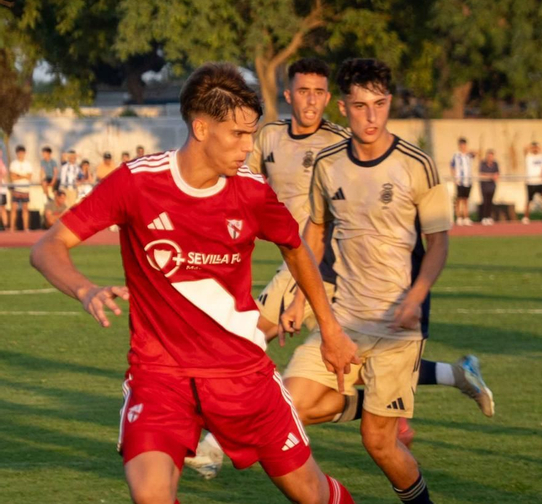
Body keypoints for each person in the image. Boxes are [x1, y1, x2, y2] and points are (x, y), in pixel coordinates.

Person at [27, 61, 428, 504]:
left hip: (242, 375)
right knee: (150, 492)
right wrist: (85, 289)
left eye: (251, 134)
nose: (248, 146)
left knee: (310, 494)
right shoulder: (137, 183)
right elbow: (47, 247)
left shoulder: (251, 193)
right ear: (200, 127)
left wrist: (329, 327)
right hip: (160, 373)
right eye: (239, 134)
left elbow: (296, 250)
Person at [185, 56, 495, 481]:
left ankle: (213, 444)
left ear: (330, 99)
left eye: (319, 93)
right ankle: (444, 379)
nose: (311, 101)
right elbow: (239, 183)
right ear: (289, 95)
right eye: (303, 92)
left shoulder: (345, 143)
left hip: (325, 270)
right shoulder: (270, 138)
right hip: (299, 263)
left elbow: (370, 214)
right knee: (334, 373)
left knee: (250, 337)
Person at [281, 58, 454, 504]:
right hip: (343, 320)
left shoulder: (417, 164)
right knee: (288, 406)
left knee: (378, 442)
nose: (371, 116)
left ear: (389, 103)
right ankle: (369, 400)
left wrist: (416, 297)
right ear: (344, 107)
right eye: (360, 106)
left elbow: (438, 243)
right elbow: (314, 235)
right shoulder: (328, 164)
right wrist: (296, 297)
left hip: (398, 325)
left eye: (379, 104)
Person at [9, 146, 36, 231]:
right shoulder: (13, 164)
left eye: (22, 153)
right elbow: (12, 177)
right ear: (17, 154)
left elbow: (29, 177)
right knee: (14, 208)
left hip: (25, 189)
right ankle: (12, 228)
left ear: (24, 153)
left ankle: (26, 228)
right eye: (19, 153)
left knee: (25, 209)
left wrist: (18, 175)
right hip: (16, 189)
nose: (20, 155)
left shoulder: (28, 164)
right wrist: (23, 176)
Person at [450, 138, 475, 224]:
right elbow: (452, 166)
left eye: (464, 145)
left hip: (468, 180)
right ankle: (459, 217)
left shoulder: (469, 155)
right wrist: (454, 177)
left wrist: (469, 151)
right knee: (459, 199)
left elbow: (477, 153)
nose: (463, 146)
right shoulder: (456, 155)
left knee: (466, 200)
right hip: (460, 180)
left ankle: (466, 217)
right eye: (461, 145)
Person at [523, 141, 542, 222]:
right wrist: (531, 145)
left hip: (540, 182)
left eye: (536, 147)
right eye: (534, 148)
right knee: (528, 201)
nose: (535, 149)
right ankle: (526, 217)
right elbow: (525, 149)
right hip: (530, 182)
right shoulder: (529, 156)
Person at [477, 148, 501, 225]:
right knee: (485, 202)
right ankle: (484, 217)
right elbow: (481, 174)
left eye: (491, 156)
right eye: (489, 156)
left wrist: (493, 176)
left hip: (492, 186)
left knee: (490, 202)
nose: (490, 158)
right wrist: (491, 176)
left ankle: (489, 216)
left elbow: (497, 174)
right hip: (484, 186)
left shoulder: (495, 164)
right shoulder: (483, 164)